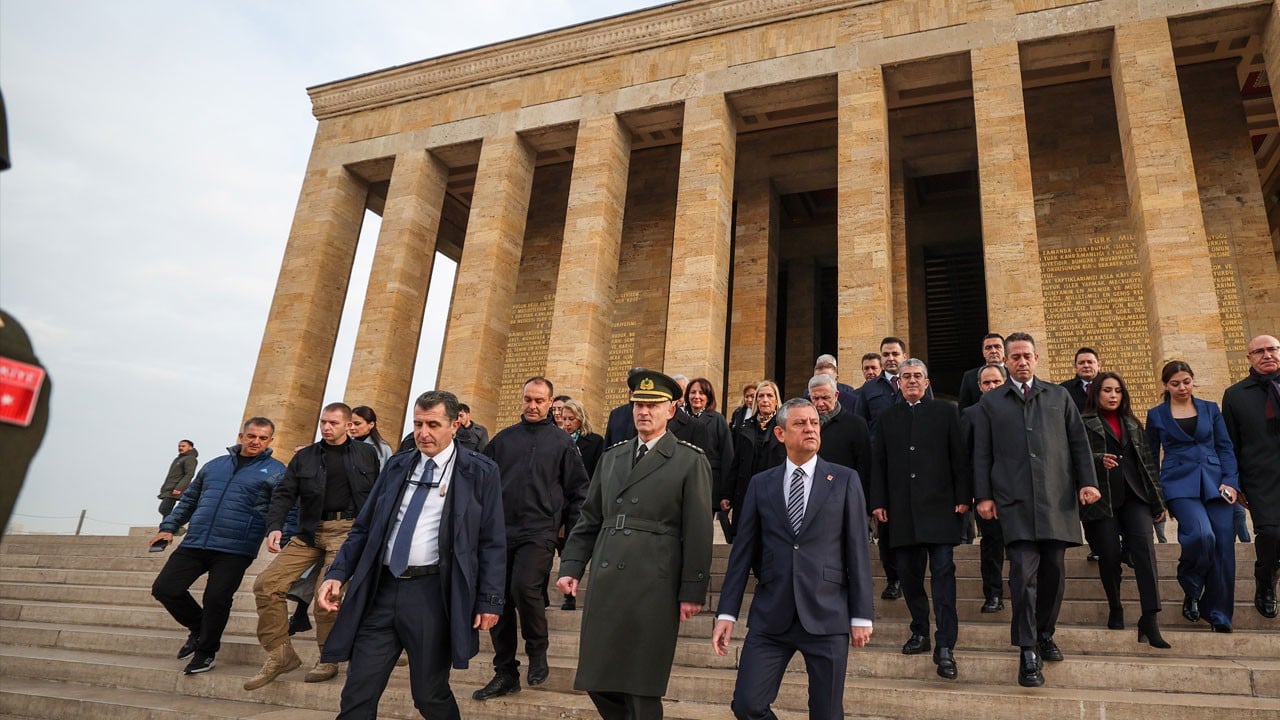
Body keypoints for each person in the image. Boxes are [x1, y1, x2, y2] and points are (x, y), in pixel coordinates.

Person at [316, 390, 506, 720]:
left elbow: (492, 540)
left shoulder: (480, 472)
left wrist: (489, 600)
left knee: (429, 695)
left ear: (455, 425)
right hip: (382, 590)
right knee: (358, 691)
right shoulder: (397, 465)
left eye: (433, 424)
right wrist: (336, 573)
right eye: (418, 423)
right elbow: (364, 527)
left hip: (431, 595)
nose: (423, 432)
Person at [556, 370, 713, 720]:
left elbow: (699, 531)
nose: (644, 411)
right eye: (639, 404)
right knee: (597, 678)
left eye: (654, 405)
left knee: (642, 686)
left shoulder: (690, 460)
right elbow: (590, 517)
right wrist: (571, 566)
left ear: (671, 411)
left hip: (655, 580)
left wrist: (692, 589)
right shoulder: (612, 457)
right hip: (609, 580)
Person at [712, 398, 873, 719]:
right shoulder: (761, 484)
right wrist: (727, 613)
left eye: (814, 423)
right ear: (780, 434)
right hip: (772, 616)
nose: (810, 428)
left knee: (827, 713)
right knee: (747, 705)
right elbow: (743, 553)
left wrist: (862, 615)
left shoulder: (844, 480)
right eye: (800, 423)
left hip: (827, 615)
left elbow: (858, 550)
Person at [972, 332, 1100, 687]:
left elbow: (1079, 443)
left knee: (1054, 574)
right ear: (1005, 362)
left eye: (1027, 355)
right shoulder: (992, 402)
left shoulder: (1058, 396)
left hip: (1056, 500)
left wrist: (1088, 482)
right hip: (1014, 502)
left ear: (1037, 358)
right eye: (1015, 357)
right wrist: (983, 495)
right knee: (1021, 576)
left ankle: (1045, 632)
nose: (1021, 361)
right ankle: (1027, 649)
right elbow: (981, 452)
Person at [246, 402, 381, 690]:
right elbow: (284, 493)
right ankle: (280, 653)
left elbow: (379, 495)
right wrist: (275, 527)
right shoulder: (305, 457)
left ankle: (328, 657)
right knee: (266, 584)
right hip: (309, 533)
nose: (327, 427)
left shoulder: (367, 454)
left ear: (348, 425)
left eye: (333, 422)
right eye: (324, 422)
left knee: (326, 595)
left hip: (346, 531)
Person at [473, 377, 589, 700]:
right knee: (497, 598)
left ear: (552, 403)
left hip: (539, 532)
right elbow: (481, 486)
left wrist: (570, 536)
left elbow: (579, 491)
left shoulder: (563, 443)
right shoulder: (503, 440)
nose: (533, 406)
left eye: (539, 400)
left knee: (524, 588)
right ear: (521, 400)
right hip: (500, 533)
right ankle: (505, 671)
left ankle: (538, 651)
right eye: (528, 399)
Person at [149, 418, 285, 675]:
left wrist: (280, 534)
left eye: (263, 438)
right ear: (241, 436)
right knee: (165, 588)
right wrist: (168, 527)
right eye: (251, 436)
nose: (256, 441)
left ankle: (206, 652)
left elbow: (282, 507)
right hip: (197, 540)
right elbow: (189, 500)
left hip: (236, 547)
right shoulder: (214, 466)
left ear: (270, 441)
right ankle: (200, 627)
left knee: (216, 598)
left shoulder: (277, 471)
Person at [870, 359, 969, 679]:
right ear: (897, 383)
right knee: (910, 578)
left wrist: (962, 498)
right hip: (902, 512)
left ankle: (945, 644)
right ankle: (920, 631)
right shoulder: (886, 418)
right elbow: (879, 464)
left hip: (940, 511)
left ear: (927, 381)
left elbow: (959, 457)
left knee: (943, 576)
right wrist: (879, 502)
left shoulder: (947, 412)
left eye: (917, 376)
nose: (911, 381)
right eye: (905, 377)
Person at [1147, 360, 1241, 632]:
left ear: (1193, 380)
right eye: (1175, 383)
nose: (1182, 387)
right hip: (1178, 485)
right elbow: (1151, 458)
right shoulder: (1156, 415)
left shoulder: (1210, 409)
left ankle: (1219, 615)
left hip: (1217, 485)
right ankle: (1191, 584)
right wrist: (1158, 497)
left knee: (1224, 547)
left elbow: (1225, 447)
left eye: (1186, 381)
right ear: (1166, 385)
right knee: (1202, 535)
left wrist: (1231, 482)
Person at [1080, 372, 1169, 648]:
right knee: (1109, 555)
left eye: (1118, 390)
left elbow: (1148, 463)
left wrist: (1158, 501)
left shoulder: (1132, 422)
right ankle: (1115, 605)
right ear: (1096, 394)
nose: (1113, 395)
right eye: (1107, 390)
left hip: (1136, 496)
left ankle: (1150, 619)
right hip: (1102, 498)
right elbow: (1072, 457)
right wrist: (1097, 460)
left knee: (1145, 552)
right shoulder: (1083, 423)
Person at [1223, 334, 1280, 619]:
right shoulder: (1235, 395)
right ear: (1249, 358)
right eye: (1259, 351)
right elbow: (1230, 443)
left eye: (1272, 349)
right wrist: (1235, 482)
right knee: (1270, 533)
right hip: (1261, 479)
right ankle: (1266, 579)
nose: (1266, 355)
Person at [962, 364, 1011, 613]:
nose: (991, 387)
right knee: (992, 544)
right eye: (987, 383)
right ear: (979, 387)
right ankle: (993, 594)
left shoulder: (1018, 409)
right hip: (987, 494)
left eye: (996, 382)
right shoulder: (971, 414)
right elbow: (966, 457)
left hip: (1017, 491)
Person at [723, 380, 784, 529]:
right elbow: (736, 464)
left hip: (774, 494)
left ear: (776, 400)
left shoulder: (785, 427)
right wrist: (727, 494)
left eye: (769, 396)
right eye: (760, 396)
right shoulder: (746, 427)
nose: (765, 400)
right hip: (747, 492)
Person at [807, 373, 871, 503]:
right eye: (815, 398)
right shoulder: (804, 426)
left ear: (836, 396)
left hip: (845, 497)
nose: (820, 403)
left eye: (825, 398)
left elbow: (865, 468)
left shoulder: (856, 424)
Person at [683, 377, 735, 513]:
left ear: (708, 396)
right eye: (693, 392)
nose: (696, 396)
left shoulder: (717, 419)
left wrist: (726, 493)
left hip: (709, 486)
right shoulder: (680, 420)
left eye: (701, 393)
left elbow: (727, 456)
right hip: (682, 486)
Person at [957, 333, 1004, 411]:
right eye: (988, 348)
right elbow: (963, 409)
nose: (993, 351)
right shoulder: (970, 376)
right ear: (983, 352)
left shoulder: (1014, 374)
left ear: (1004, 350)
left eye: (997, 346)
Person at [156, 440, 199, 519]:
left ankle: (175, 528)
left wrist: (179, 488)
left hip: (176, 488)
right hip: (170, 488)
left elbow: (189, 474)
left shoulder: (190, 459)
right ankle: (168, 529)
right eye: (179, 446)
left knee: (164, 509)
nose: (180, 448)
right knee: (166, 510)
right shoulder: (178, 459)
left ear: (190, 447)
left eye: (183, 446)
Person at [1061, 347, 1102, 412]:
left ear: (1099, 365)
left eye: (1090, 362)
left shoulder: (1109, 386)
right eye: (1081, 363)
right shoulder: (1064, 389)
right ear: (1075, 366)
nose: (1086, 365)